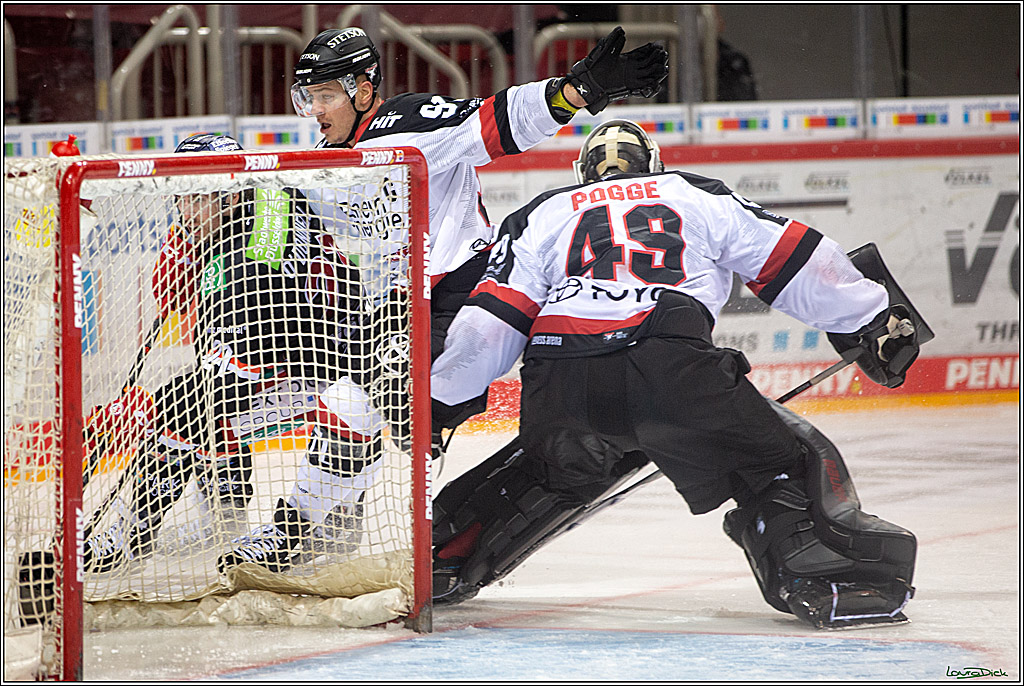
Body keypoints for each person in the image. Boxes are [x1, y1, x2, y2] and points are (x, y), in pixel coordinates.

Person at [426, 120, 922, 629]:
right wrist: (870, 315)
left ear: (583, 173)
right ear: (654, 164)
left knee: (551, 468)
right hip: (670, 371)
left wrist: (443, 400)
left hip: (560, 381)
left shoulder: (541, 213)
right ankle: (822, 577)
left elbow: (487, 329)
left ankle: (442, 554)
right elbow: (795, 261)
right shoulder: (691, 193)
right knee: (771, 460)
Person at [214, 26, 670, 575]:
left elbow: (497, 120)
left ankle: (305, 524)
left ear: (364, 90)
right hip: (396, 309)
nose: (315, 110)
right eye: (308, 98)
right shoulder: (326, 161)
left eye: (326, 95)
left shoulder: (408, 122)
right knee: (344, 401)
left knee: (371, 398)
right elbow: (281, 208)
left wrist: (577, 90)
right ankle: (326, 522)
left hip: (465, 291)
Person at [82, 133, 366, 574]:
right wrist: (187, 247)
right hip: (305, 353)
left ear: (231, 191)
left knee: (186, 403)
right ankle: (239, 516)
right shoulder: (267, 199)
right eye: (181, 196)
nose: (184, 209)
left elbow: (245, 346)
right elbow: (172, 294)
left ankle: (134, 533)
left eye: (196, 197)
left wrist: (149, 412)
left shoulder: (252, 248)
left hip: (328, 369)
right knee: (204, 388)